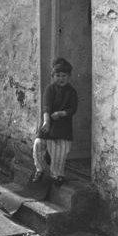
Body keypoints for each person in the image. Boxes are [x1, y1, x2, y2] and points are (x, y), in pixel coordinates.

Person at [31, 57, 78, 186]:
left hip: (63, 126)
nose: (61, 78)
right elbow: (46, 106)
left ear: (69, 77)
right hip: (49, 124)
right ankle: (40, 170)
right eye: (57, 75)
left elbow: (73, 109)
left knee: (59, 151)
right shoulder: (50, 89)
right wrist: (46, 122)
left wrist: (61, 113)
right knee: (38, 144)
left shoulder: (71, 92)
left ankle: (57, 175)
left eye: (64, 76)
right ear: (53, 76)